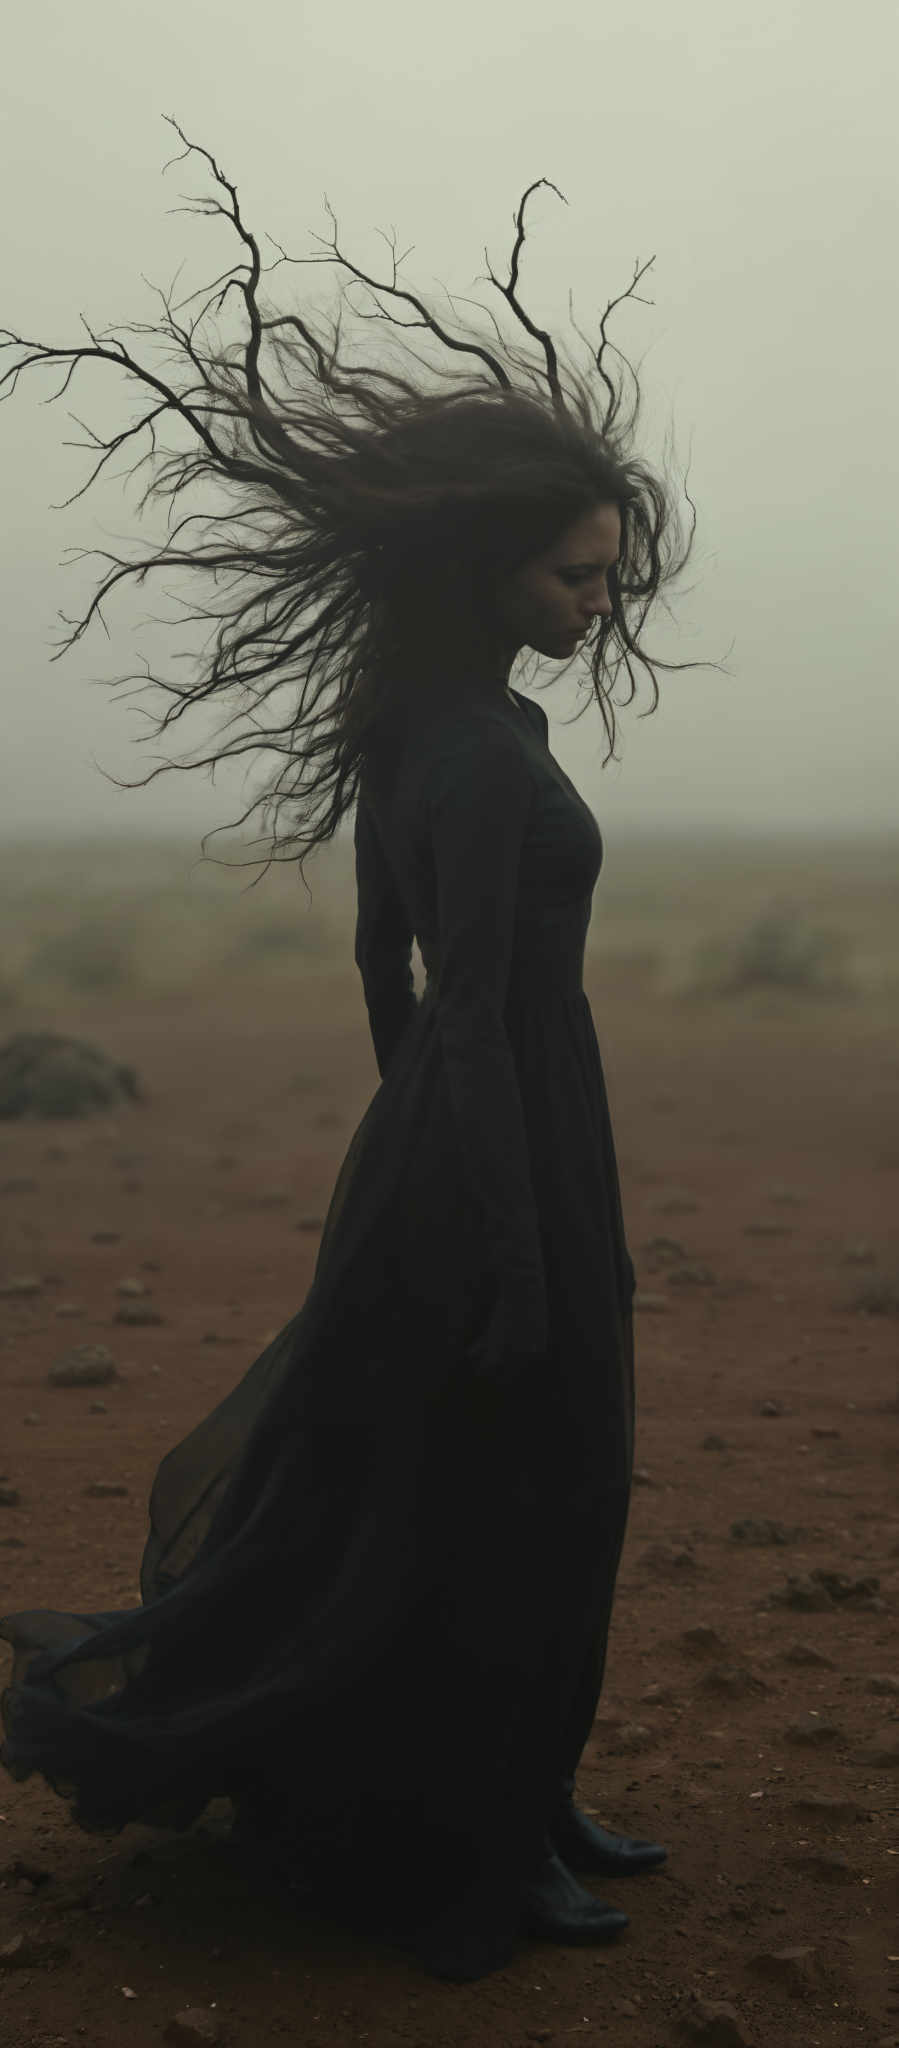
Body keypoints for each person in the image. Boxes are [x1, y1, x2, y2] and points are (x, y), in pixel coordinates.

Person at [0, 137, 694, 1982]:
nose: (596, 602)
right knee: (527, 1487)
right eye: (573, 575)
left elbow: (388, 978)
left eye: (608, 576)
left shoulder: (425, 724)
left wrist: (422, 1139)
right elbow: (457, 993)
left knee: (515, 1482)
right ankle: (480, 1843)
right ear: (490, 569)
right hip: (503, 1131)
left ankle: (529, 1798)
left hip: (478, 1128)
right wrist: (507, 1222)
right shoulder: (471, 755)